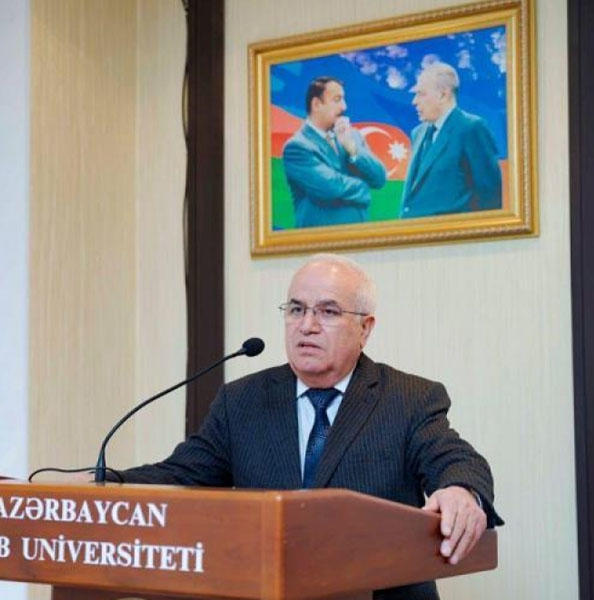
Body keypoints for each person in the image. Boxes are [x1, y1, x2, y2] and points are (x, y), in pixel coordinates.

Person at [119, 254, 503, 600]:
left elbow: (454, 458)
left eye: (328, 312)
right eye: (296, 309)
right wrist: (107, 481)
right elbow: (181, 475)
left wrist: (461, 490)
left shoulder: (408, 398)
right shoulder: (242, 401)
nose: (307, 325)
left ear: (365, 328)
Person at [400, 62, 502, 219]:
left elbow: (489, 195)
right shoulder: (417, 133)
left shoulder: (471, 128)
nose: (414, 101)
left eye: (421, 94)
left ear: (443, 95)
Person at [282, 77, 387, 228]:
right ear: (316, 104)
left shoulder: (352, 136)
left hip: (360, 236)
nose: (344, 106)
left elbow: (379, 179)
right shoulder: (297, 147)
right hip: (322, 239)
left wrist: (353, 150)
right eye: (337, 100)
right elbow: (331, 188)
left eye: (343, 99)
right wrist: (364, 187)